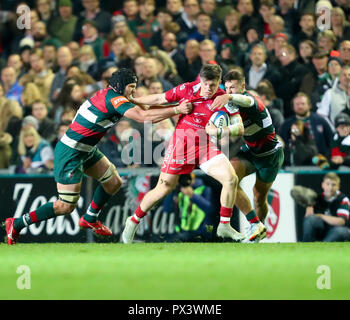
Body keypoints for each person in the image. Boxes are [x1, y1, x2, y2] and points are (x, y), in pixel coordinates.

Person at [4, 68, 193, 245]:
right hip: (70, 151)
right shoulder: (114, 100)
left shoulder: (113, 95)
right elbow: (143, 117)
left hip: (86, 148)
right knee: (66, 206)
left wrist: (176, 105)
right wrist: (176, 110)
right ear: (120, 86)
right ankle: (18, 223)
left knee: (114, 182)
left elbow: (144, 107)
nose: (133, 92)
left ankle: (89, 218)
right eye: (131, 88)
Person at [121, 64, 253, 244]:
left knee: (230, 179)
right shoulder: (187, 89)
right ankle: (133, 220)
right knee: (164, 188)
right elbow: (160, 98)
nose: (209, 88)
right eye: (206, 84)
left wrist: (223, 130)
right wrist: (134, 101)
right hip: (181, 145)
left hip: (205, 146)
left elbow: (240, 127)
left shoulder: (223, 98)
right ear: (200, 80)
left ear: (218, 83)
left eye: (213, 85)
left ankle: (224, 224)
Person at [209, 70, 284, 241]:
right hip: (250, 151)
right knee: (230, 179)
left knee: (259, 196)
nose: (229, 92)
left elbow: (245, 100)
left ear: (243, 87)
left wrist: (229, 98)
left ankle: (260, 229)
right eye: (227, 88)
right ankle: (255, 224)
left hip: (270, 154)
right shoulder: (230, 105)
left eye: (233, 88)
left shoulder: (252, 101)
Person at [155, 173, 216, 242]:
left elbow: (211, 210)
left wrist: (193, 196)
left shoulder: (205, 188)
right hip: (183, 231)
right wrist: (171, 190)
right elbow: (167, 209)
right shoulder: (179, 190)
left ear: (192, 176)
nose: (184, 181)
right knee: (163, 239)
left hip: (203, 231)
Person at [299, 173, 350, 242]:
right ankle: (306, 245)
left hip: (339, 229)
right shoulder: (317, 199)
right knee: (310, 219)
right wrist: (308, 213)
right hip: (323, 230)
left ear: (338, 187)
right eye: (328, 184)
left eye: (333, 185)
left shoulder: (343, 199)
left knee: (340, 231)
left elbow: (341, 221)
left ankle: (323, 246)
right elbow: (310, 220)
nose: (330, 187)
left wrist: (320, 216)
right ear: (323, 185)